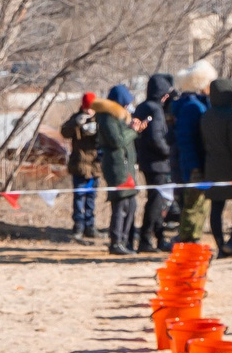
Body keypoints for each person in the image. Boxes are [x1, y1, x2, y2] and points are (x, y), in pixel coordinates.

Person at [199, 78, 232, 258]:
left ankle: (221, 246)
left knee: (216, 206)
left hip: (212, 166)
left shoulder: (206, 114)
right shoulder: (231, 115)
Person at [168, 62, 214, 244]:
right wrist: (195, 167)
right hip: (192, 165)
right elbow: (186, 141)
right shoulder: (192, 107)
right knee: (194, 206)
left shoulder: (190, 105)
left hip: (191, 164)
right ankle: (187, 243)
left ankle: (189, 240)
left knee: (197, 205)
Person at [132, 74, 176, 252]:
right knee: (156, 201)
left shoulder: (142, 107)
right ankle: (146, 239)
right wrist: (169, 153)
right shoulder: (156, 110)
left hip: (145, 160)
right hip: (158, 162)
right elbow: (156, 137)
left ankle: (159, 237)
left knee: (157, 200)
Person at [95, 88, 140, 253]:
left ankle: (125, 240)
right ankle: (116, 242)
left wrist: (133, 128)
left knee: (131, 204)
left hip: (126, 165)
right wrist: (133, 131)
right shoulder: (107, 118)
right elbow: (117, 141)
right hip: (116, 166)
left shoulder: (119, 118)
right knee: (121, 204)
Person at [59, 95, 101, 240]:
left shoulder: (100, 118)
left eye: (92, 108)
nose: (90, 111)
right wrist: (76, 124)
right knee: (79, 197)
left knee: (91, 198)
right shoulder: (76, 118)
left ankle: (90, 226)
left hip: (95, 165)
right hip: (79, 164)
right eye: (87, 108)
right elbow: (64, 132)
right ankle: (78, 226)